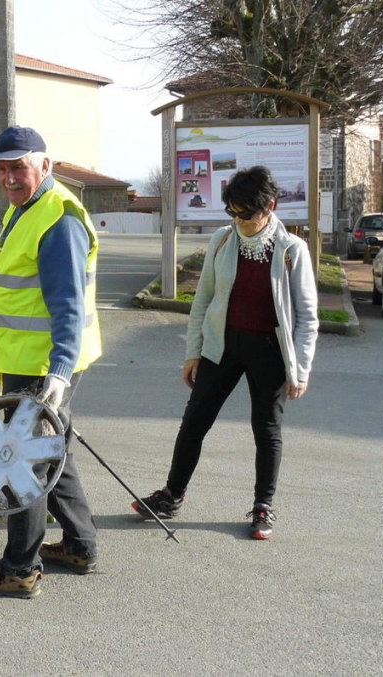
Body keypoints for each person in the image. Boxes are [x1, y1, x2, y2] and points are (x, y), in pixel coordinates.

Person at [132, 165, 318, 540]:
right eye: (231, 212)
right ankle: (172, 494)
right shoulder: (221, 240)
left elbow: (307, 315)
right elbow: (203, 301)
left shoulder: (291, 250)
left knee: (266, 430)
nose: (238, 220)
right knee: (194, 422)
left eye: (245, 213)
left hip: (270, 350)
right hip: (223, 344)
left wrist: (300, 369)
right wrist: (193, 352)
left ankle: (263, 506)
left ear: (270, 206)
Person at [0, 126, 102, 599]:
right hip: (27, 361)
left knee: (22, 464)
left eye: (18, 167)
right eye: (1, 169)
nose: (9, 178)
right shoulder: (27, 209)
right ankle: (80, 546)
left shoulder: (57, 219)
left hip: (43, 367)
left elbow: (69, 304)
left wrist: (59, 372)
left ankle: (19, 568)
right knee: (51, 452)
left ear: (45, 164)